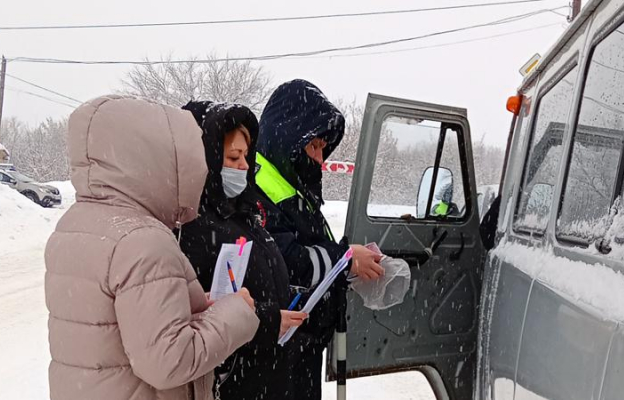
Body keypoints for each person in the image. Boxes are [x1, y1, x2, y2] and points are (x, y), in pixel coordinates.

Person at [45, 95, 259, 400]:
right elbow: (169, 361)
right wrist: (235, 313)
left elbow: (121, 328)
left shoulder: (76, 226)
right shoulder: (143, 240)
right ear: (156, 160)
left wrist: (192, 306)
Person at [254, 79, 385, 400]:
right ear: (289, 137)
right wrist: (344, 259)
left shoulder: (292, 184)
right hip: (278, 348)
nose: (320, 158)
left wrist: (344, 263)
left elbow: (311, 249)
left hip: (301, 342)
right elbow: (284, 260)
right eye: (314, 146)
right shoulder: (260, 184)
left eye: (324, 149)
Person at [178, 100, 308, 400]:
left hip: (267, 379)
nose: (245, 166)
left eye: (246, 156)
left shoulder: (246, 216)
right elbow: (197, 317)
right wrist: (268, 322)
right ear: (206, 159)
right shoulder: (193, 227)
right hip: (235, 384)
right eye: (234, 157)